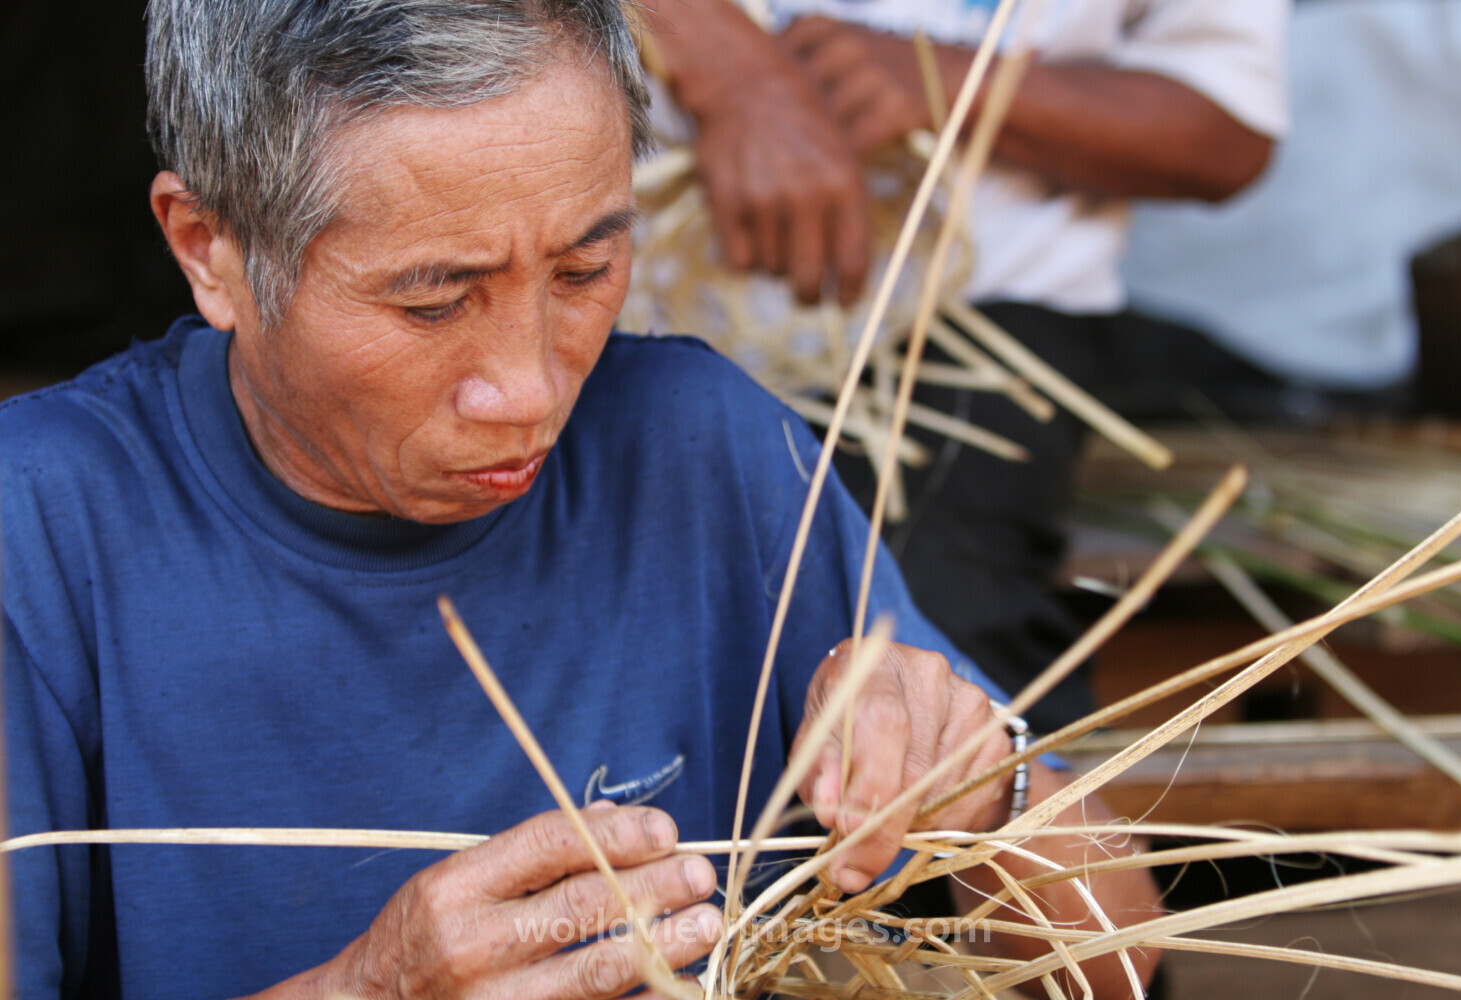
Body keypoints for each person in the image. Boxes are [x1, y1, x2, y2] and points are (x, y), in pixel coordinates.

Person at [0, 1, 1160, 997]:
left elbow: (1123, 959)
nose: (532, 387)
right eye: (434, 300)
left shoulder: (700, 451)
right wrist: (367, 986)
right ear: (211, 249)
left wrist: (988, 790)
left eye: (584, 272)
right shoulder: (43, 524)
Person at [638, 0, 1289, 732]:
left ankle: (996, 827)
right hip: (628, 287)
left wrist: (951, 80)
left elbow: (1227, 128)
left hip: (974, 325)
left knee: (928, 649)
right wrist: (718, 57)